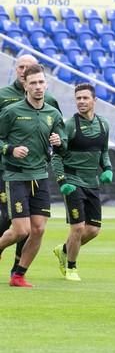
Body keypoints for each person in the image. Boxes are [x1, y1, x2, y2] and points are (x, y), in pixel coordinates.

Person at [0, 64, 65, 287]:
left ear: (46, 84)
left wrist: (59, 142)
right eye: (33, 83)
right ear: (25, 86)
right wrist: (10, 150)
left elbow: (62, 142)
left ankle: (18, 275)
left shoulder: (53, 113)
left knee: (38, 229)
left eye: (41, 82)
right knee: (21, 230)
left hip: (40, 176)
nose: (38, 87)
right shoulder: (11, 112)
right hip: (16, 176)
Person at [50, 83, 113, 281]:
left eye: (85, 98)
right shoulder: (70, 125)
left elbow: (104, 152)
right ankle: (71, 267)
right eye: (78, 98)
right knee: (77, 227)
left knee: (93, 230)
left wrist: (108, 169)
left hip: (91, 182)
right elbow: (57, 155)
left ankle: (64, 250)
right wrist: (62, 181)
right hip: (72, 181)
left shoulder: (104, 124)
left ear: (95, 100)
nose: (81, 102)